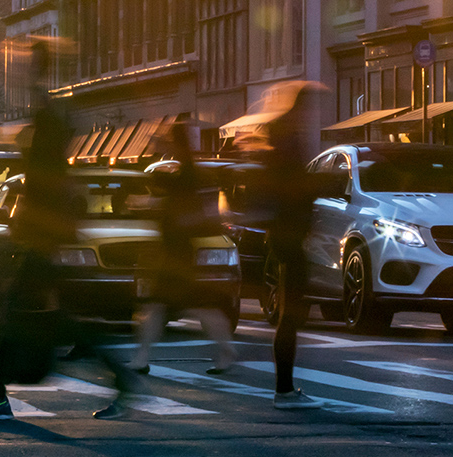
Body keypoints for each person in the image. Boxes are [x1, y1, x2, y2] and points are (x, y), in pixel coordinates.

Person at [0, 40, 142, 421]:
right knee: (57, 318)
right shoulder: (51, 124)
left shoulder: (49, 126)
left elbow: (46, 184)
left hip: (42, 240)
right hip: (43, 238)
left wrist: (32, 230)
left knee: (26, 313)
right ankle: (120, 380)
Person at [127, 124, 236, 375]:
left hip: (176, 252)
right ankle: (225, 349)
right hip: (176, 250)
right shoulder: (188, 170)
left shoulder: (186, 171)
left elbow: (171, 188)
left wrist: (152, 193)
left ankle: (142, 358)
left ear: (175, 144)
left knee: (164, 304)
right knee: (188, 304)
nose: (165, 146)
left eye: (168, 142)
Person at [250, 81, 328, 410]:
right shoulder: (287, 139)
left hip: (284, 234)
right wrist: (318, 184)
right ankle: (283, 389)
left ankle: (285, 386)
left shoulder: (281, 134)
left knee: (290, 313)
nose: (314, 115)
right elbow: (291, 187)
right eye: (312, 108)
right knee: (290, 314)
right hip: (288, 235)